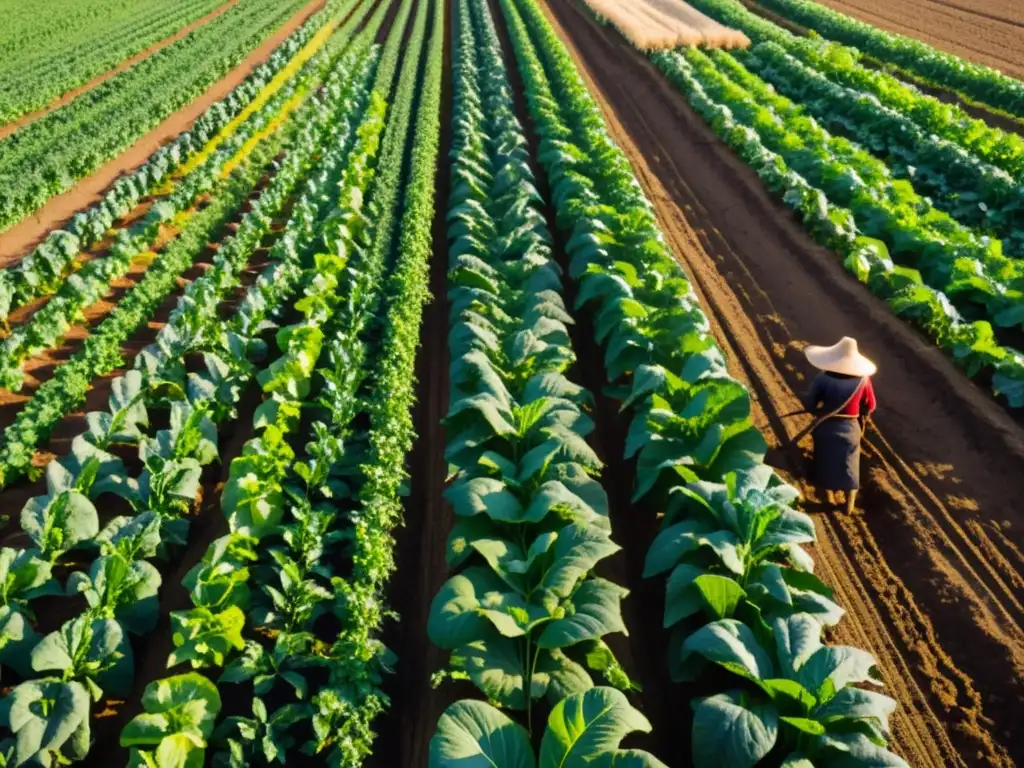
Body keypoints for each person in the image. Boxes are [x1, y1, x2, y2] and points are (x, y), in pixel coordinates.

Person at [802, 336, 877, 514]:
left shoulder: (822, 378)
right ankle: (849, 500)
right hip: (850, 427)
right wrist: (862, 414)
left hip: (826, 425)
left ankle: (824, 486)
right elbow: (871, 405)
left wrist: (816, 411)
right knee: (850, 461)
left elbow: (810, 403)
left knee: (824, 457)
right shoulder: (863, 381)